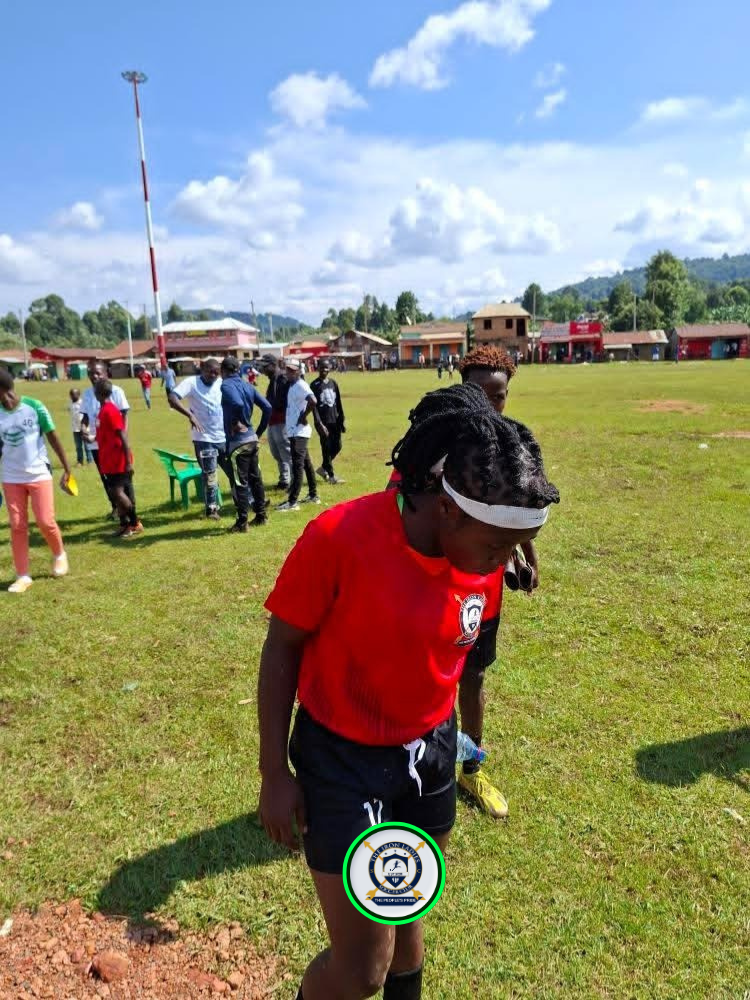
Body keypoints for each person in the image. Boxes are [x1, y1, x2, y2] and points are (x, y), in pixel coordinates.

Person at [258, 382, 559, 1000]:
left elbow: (451, 656)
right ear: (447, 509)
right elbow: (281, 646)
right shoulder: (341, 537)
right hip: (341, 761)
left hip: (429, 757)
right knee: (361, 970)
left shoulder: (480, 555)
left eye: (514, 547)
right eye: (497, 546)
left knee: (408, 922)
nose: (505, 561)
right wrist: (273, 772)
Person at [451, 345, 541, 816]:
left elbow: (520, 510)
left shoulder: (512, 448)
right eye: (478, 394)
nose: (488, 405)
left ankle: (471, 769)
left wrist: (526, 556)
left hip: (483, 591)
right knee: (427, 678)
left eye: (498, 396)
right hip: (436, 587)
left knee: (474, 677)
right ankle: (420, 764)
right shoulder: (436, 440)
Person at [0, 370, 71, 593]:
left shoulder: (35, 406)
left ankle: (59, 554)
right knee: (17, 525)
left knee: (45, 521)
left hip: (38, 473)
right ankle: (23, 575)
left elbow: (53, 436)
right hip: (11, 477)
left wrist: (67, 468)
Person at [168, 358, 236, 521]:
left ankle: (244, 501)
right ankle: (211, 509)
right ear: (202, 368)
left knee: (234, 471)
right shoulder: (191, 383)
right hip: (204, 438)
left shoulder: (221, 383)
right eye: (209, 372)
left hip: (224, 437)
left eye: (216, 373)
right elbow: (172, 397)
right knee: (210, 475)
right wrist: (190, 415)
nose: (213, 375)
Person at [220, 356, 271, 531]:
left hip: (238, 443)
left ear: (223, 371)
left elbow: (237, 403)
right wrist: (259, 431)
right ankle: (261, 516)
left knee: (240, 482)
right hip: (251, 439)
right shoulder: (247, 385)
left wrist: (235, 422)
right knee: (255, 479)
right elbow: (267, 407)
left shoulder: (226, 385)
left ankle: (242, 523)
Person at [81, 362, 134, 521]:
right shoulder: (88, 394)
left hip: (115, 446)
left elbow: (123, 416)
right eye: (91, 373)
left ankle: (132, 516)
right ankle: (118, 510)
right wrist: (84, 430)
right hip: (98, 445)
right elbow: (86, 417)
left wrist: (123, 440)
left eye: (98, 373)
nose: (94, 376)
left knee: (122, 483)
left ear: (105, 373)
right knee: (108, 481)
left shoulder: (115, 393)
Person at [94, 380, 143, 538]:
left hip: (118, 460)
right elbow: (105, 434)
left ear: (98, 393)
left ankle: (135, 523)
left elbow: (123, 436)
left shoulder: (111, 411)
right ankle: (124, 524)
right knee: (118, 494)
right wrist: (91, 438)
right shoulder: (103, 410)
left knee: (118, 493)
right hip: (108, 460)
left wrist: (128, 462)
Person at [276, 358, 325, 513]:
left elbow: (313, 401)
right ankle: (313, 495)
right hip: (295, 432)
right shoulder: (293, 385)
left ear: (299, 371)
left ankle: (293, 502)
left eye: (292, 370)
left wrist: (303, 416)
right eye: (287, 369)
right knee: (306, 464)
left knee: (298, 467)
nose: (288, 372)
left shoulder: (301, 385)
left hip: (299, 433)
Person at [258, 356, 292, 491]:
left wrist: (272, 406)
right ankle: (284, 480)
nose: (263, 369)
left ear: (273, 365)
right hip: (272, 421)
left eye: (265, 366)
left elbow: (285, 401)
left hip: (282, 421)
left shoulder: (282, 378)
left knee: (286, 453)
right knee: (277, 453)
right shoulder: (273, 379)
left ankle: (294, 481)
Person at [310, 359, 346, 485]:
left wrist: (341, 419)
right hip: (323, 422)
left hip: (335, 421)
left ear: (329, 368)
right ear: (318, 368)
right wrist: (318, 422)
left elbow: (338, 402)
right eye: (322, 368)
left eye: (326, 368)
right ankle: (331, 476)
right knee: (326, 448)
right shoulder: (314, 385)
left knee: (338, 446)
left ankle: (323, 468)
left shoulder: (333, 383)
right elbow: (313, 407)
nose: (324, 370)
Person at [67, 388, 92, 466]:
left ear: (78, 395)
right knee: (78, 446)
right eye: (71, 395)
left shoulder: (82, 403)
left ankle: (90, 460)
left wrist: (85, 425)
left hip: (84, 428)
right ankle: (80, 461)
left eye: (74, 394)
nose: (72, 396)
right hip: (75, 428)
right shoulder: (70, 403)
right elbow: (70, 411)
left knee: (87, 445)